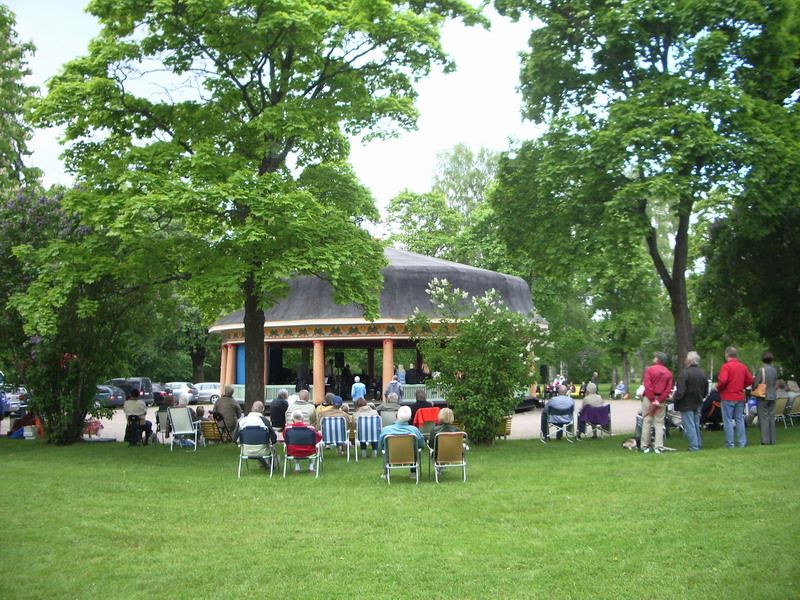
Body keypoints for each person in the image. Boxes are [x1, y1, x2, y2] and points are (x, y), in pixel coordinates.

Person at [716, 346, 754, 449]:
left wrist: (719, 388)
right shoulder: (742, 366)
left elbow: (723, 381)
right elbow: (750, 379)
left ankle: (730, 443)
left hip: (727, 396)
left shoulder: (726, 367)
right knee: (739, 420)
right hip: (739, 396)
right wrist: (742, 385)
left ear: (726, 355)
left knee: (728, 421)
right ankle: (742, 442)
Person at [672, 351, 708, 452]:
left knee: (690, 425)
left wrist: (675, 398)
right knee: (696, 424)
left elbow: (681, 390)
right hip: (698, 401)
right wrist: (702, 397)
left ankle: (694, 446)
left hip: (686, 403)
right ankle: (698, 443)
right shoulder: (702, 373)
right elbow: (706, 389)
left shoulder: (685, 373)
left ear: (688, 360)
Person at [378, 405, 426, 478]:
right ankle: (413, 473)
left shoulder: (386, 430)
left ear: (396, 416)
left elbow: (380, 446)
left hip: (391, 456)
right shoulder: (414, 430)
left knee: (386, 450)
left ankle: (386, 473)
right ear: (410, 418)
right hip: (410, 457)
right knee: (415, 449)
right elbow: (421, 445)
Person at [641, 352, 673, 454]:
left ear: (658, 359)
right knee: (659, 423)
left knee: (647, 421)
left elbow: (647, 385)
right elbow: (668, 390)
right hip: (661, 399)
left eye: (655, 357)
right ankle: (658, 446)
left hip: (648, 398)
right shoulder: (668, 373)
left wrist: (651, 399)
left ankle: (644, 446)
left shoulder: (649, 370)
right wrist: (658, 400)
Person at [233, 400, 277, 470]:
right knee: (270, 447)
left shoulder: (242, 421)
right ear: (263, 409)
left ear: (252, 409)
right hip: (263, 450)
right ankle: (272, 466)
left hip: (246, 450)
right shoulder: (265, 421)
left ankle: (264, 465)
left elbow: (234, 438)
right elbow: (273, 438)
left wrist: (240, 443)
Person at [752, 351, 779, 445]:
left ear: (763, 359)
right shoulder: (775, 370)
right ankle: (772, 440)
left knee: (763, 418)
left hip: (763, 396)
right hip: (773, 395)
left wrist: (753, 389)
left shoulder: (761, 370)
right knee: (771, 418)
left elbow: (755, 383)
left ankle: (765, 440)